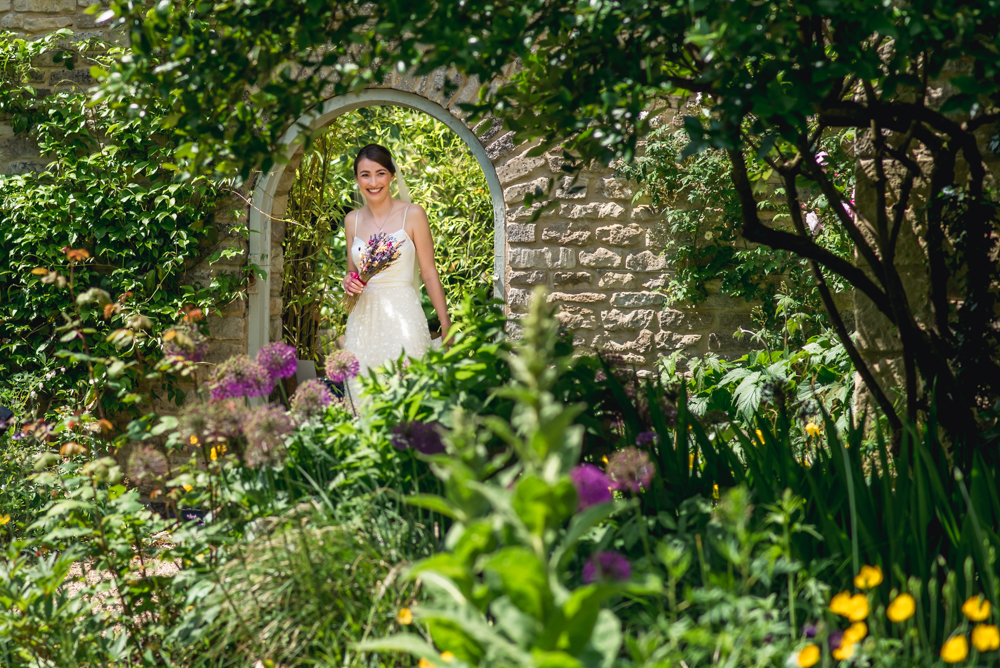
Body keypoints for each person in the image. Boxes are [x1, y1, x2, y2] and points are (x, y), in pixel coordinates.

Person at [341, 143, 451, 398]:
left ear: (392, 175)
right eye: (365, 175)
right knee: (363, 395)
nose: (373, 182)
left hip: (404, 315)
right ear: (357, 179)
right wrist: (348, 281)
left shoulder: (412, 214)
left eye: (380, 173)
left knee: (409, 392)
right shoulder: (351, 220)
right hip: (362, 321)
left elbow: (429, 273)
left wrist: (445, 324)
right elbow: (351, 271)